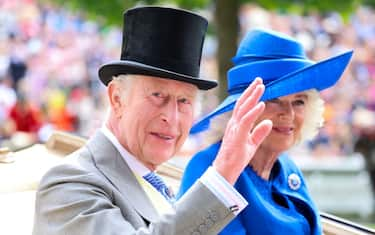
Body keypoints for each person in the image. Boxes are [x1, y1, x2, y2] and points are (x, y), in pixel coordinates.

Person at [32, 7, 273, 235]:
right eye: (158, 96)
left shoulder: (166, 182)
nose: (172, 116)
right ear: (117, 99)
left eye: (184, 101)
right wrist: (221, 176)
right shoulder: (70, 184)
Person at [178, 29, 353, 235]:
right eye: (273, 101)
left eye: (298, 102)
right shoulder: (208, 166)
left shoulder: (288, 169)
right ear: (242, 108)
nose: (288, 113)